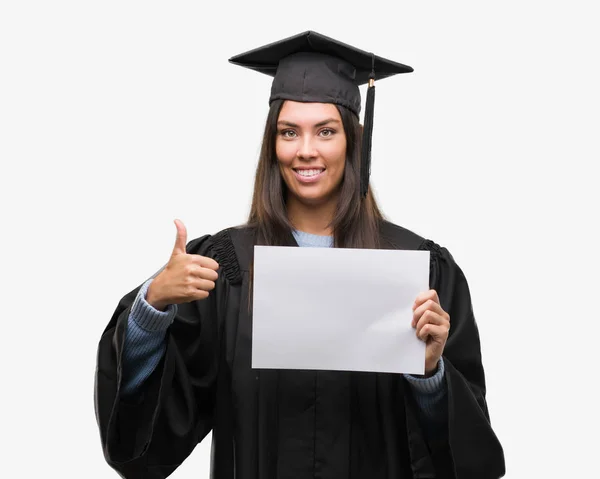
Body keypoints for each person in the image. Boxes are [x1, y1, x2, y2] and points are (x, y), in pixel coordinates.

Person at [94, 31, 505, 479]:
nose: (305, 150)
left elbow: (471, 462)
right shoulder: (229, 266)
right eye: (289, 132)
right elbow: (143, 441)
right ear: (273, 144)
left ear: (353, 140)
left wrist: (430, 375)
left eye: (325, 131)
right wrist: (151, 307)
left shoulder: (419, 269)